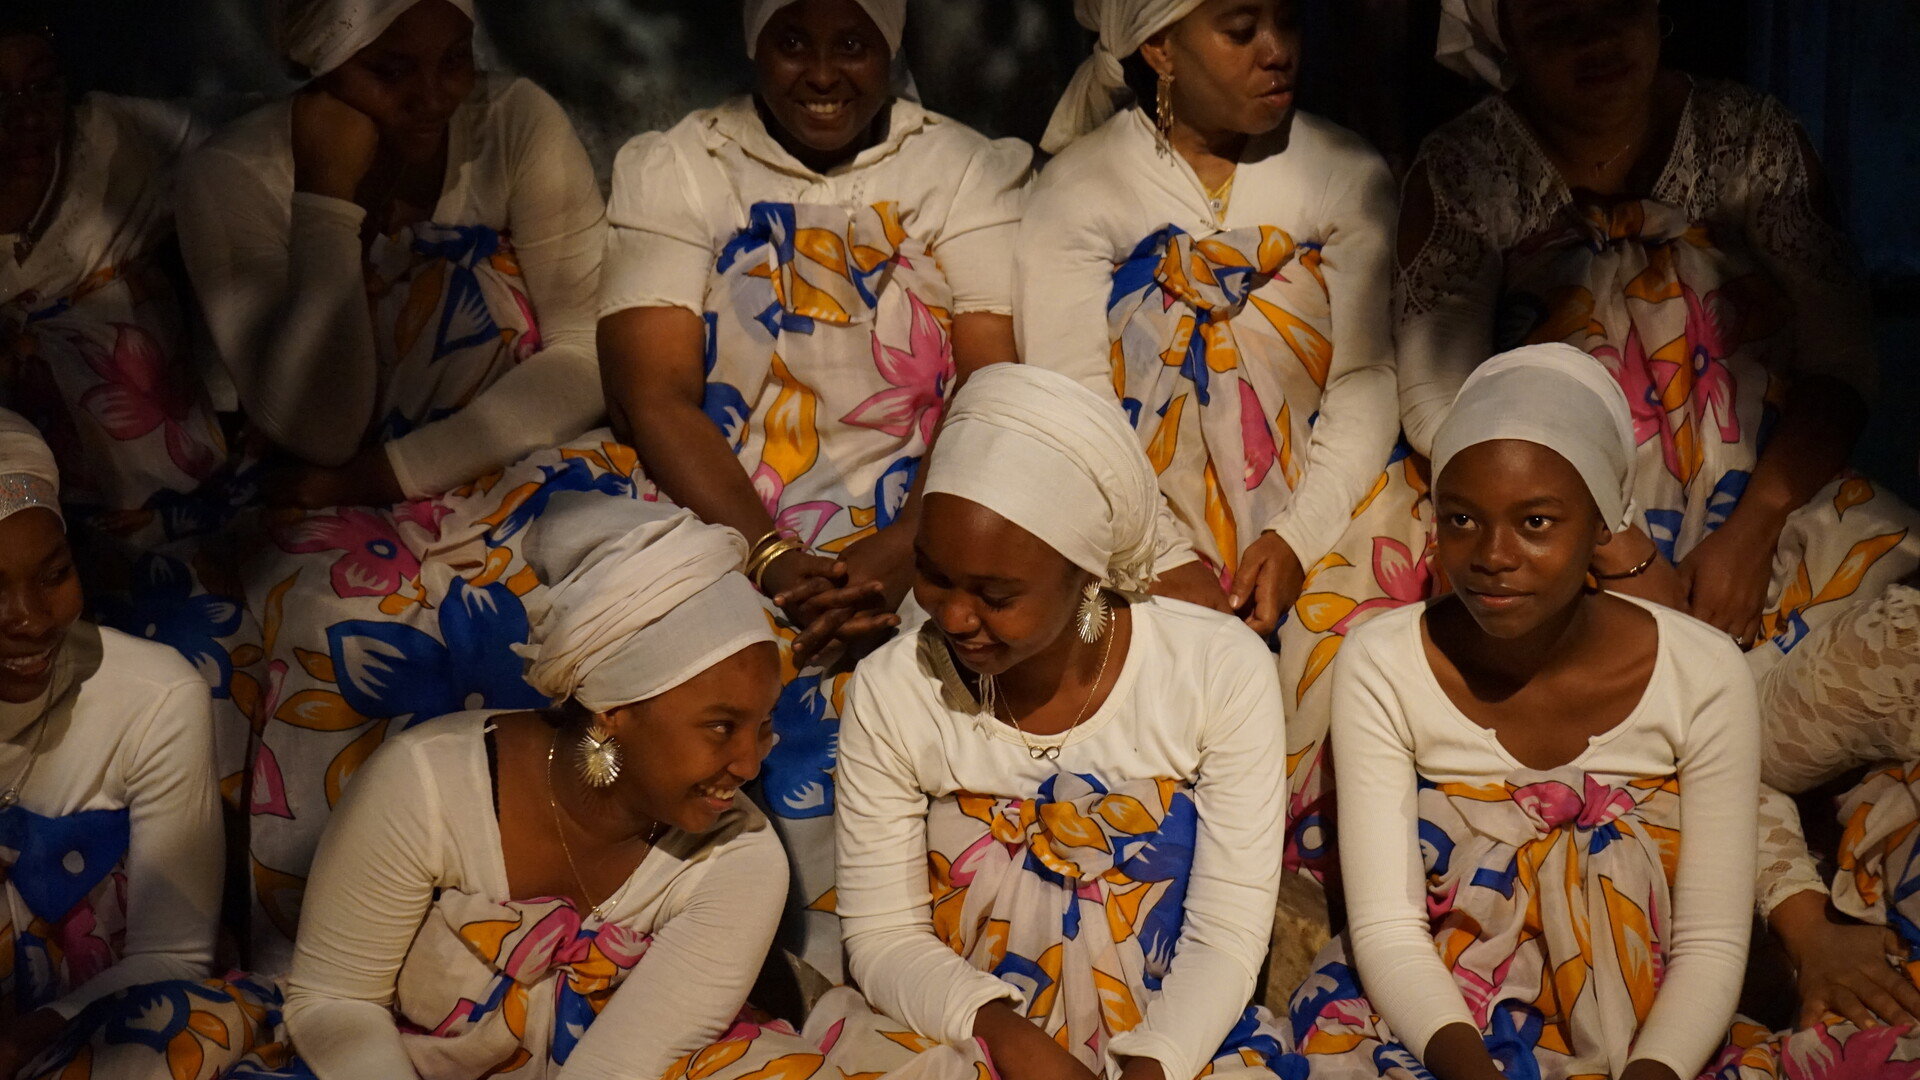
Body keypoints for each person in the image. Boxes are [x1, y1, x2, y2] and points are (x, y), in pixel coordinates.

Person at [1396, 0, 1920, 1032]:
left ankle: (1812, 838)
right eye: (1558, 26)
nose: (1597, 43)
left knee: (1888, 613)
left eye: (1617, 9)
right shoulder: (1465, 170)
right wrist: (1621, 547)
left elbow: (1841, 355)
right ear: (1506, 37)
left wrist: (1755, 522)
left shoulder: (1749, 137)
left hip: (1756, 480)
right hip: (1548, 498)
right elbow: (1436, 399)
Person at [1283, 344, 1920, 1080]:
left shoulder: (1700, 671)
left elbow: (1710, 946)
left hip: (1660, 1035)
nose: (1493, 555)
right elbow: (1389, 931)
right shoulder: (1384, 662)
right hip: (1440, 1027)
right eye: (1461, 519)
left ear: (1603, 526)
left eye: (1537, 522)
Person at [666, 363, 1292, 1080]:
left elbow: (1225, 938)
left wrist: (1155, 1064)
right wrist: (1011, 1044)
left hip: (1180, 1042)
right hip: (962, 1037)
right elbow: (885, 937)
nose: (957, 618)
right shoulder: (895, 691)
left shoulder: (1217, 672)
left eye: (997, 596)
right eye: (933, 575)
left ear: (1087, 573)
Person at [597, 0, 1032, 981]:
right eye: (793, 42)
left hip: (930, 503)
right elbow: (653, 396)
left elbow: (991, 381)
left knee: (926, 673)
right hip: (714, 505)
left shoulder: (960, 171)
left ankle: (904, 975)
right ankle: (730, 970)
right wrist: (771, 555)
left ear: (893, 45)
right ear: (753, 40)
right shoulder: (684, 168)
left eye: (854, 44)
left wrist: (907, 548)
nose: (824, 73)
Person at [173, 0, 609, 968]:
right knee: (334, 633)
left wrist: (389, 472)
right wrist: (330, 202)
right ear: (320, 62)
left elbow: (584, 355)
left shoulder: (514, 123)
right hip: (313, 493)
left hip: (509, 464)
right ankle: (341, 963)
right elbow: (316, 419)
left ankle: (565, 942)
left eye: (453, 60)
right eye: (390, 72)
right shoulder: (235, 178)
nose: (435, 97)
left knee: (611, 601)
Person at [1019, 0, 1421, 884]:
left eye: (1289, 22)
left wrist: (1296, 538)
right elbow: (1073, 399)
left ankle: (1334, 903)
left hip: (1332, 510)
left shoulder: (1345, 172)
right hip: (1130, 522)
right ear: (1159, 47)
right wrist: (1162, 556)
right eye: (1241, 31)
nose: (1277, 52)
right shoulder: (1081, 188)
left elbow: (1366, 378)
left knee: (1358, 656)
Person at [0, 408, 223, 1079]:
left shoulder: (155, 700)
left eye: (54, 574)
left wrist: (28, 1040)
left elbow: (174, 956)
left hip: (82, 1040)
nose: (30, 619)